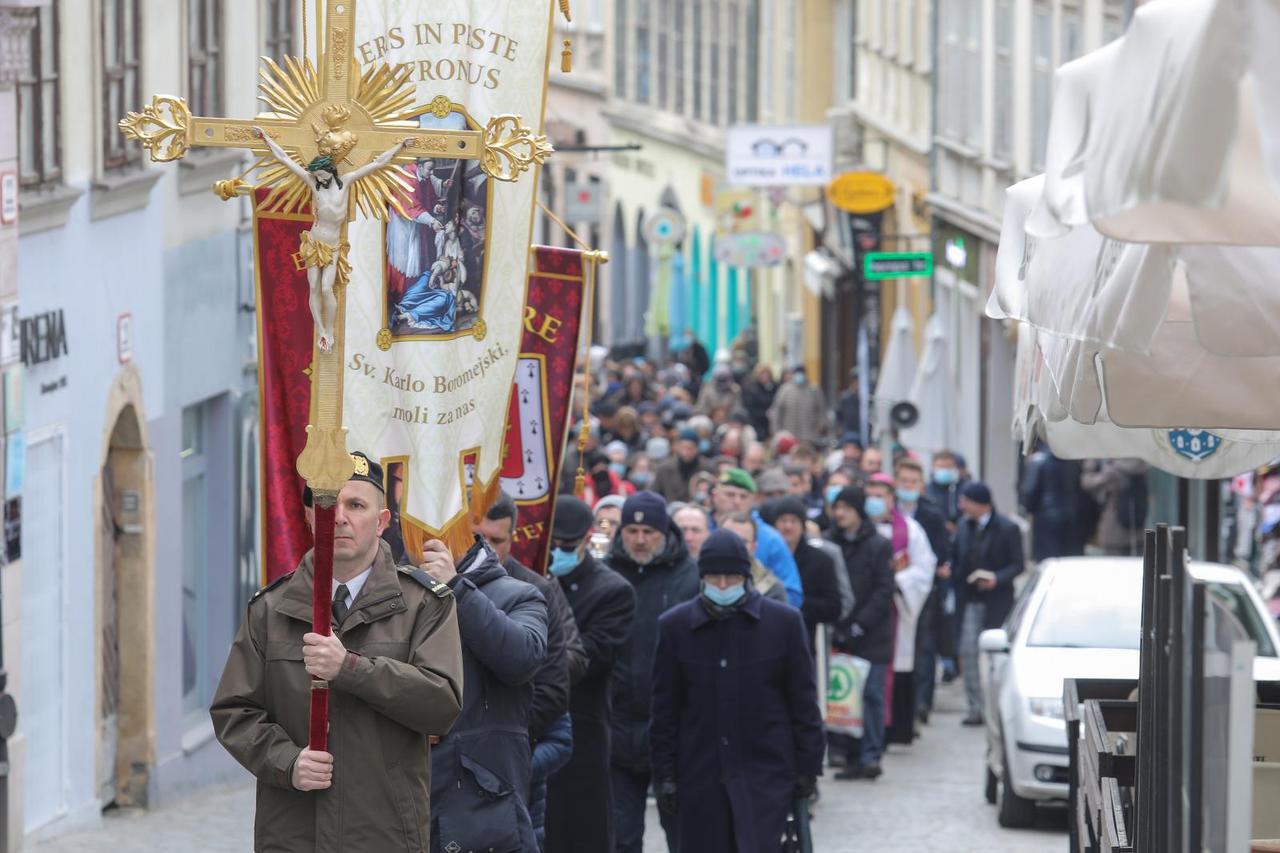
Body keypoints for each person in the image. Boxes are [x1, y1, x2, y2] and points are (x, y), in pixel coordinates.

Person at [210, 453, 465, 851]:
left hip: (383, 834)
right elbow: (234, 711)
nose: (340, 517)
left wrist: (350, 668)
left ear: (381, 522)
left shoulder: (423, 605)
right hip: (294, 834)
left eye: (356, 505)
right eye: (328, 505)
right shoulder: (271, 608)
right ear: (311, 516)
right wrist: (287, 762)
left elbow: (441, 704)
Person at [651, 529, 826, 853]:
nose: (721, 585)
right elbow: (665, 708)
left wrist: (808, 768)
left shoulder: (783, 623)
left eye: (730, 577)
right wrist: (665, 773)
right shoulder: (675, 627)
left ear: (745, 576)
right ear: (702, 577)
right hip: (700, 774)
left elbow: (802, 700)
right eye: (714, 576)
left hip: (765, 773)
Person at [476, 493, 589, 846]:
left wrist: (500, 739)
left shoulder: (534, 590)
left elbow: (554, 688)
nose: (489, 551)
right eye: (480, 539)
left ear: (513, 539)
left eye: (498, 541)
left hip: (514, 760)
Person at [256, 123, 411, 352]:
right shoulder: (313, 183)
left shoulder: (346, 181)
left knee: (327, 288)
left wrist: (399, 147)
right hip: (314, 241)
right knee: (313, 286)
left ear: (329, 170)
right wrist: (265, 139)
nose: (316, 176)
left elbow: (377, 164)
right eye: (315, 174)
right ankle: (321, 330)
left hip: (332, 244)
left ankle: (329, 329)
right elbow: (285, 161)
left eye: (319, 173)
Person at [605, 492, 700, 853]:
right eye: (632, 530)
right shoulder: (607, 573)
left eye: (649, 531)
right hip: (617, 728)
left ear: (664, 532)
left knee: (683, 834)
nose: (640, 539)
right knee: (621, 837)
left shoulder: (690, 577)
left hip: (674, 733)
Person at [544, 497, 637, 853]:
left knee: (580, 829)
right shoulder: (527, 577)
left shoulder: (612, 591)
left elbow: (591, 656)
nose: (557, 553)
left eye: (565, 546)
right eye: (551, 545)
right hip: (528, 724)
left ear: (585, 540)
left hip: (581, 723)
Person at [826, 486, 895, 780]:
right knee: (844, 697)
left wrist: (860, 624)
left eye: (845, 508)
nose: (840, 514)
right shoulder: (830, 543)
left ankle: (870, 755)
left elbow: (884, 590)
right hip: (840, 631)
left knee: (871, 696)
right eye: (836, 507)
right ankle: (847, 754)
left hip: (872, 635)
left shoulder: (879, 545)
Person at [863, 475, 936, 746]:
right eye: (870, 494)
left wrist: (897, 581)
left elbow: (924, 567)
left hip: (895, 605)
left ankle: (891, 729)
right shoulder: (856, 528)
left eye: (880, 495)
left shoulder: (911, 531)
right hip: (864, 608)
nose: (875, 501)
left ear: (892, 499)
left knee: (892, 667)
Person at [952, 481, 1025, 726]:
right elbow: (957, 558)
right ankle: (975, 707)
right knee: (969, 652)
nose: (962, 506)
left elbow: (1018, 564)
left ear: (981, 504)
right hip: (971, 599)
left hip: (998, 601)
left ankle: (999, 706)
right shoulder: (963, 527)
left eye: (966, 501)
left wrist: (996, 578)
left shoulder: (1007, 528)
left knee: (997, 657)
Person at [893, 458, 953, 723]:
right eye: (903, 481)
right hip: (893, 589)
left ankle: (921, 702)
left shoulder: (932, 515)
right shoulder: (888, 511)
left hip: (924, 589)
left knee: (924, 647)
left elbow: (941, 553)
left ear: (921, 486)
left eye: (913, 482)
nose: (908, 486)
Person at [710, 468, 804, 606]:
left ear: (753, 500)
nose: (737, 501)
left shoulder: (770, 538)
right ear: (715, 495)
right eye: (730, 494)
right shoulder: (698, 528)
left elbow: (792, 593)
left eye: (743, 496)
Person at [763, 496, 845, 654]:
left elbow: (834, 607)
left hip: (803, 643)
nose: (788, 526)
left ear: (803, 525)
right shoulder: (765, 559)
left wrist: (796, 601)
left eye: (793, 521)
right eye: (783, 520)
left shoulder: (820, 560)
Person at [1020, 443, 1086, 561]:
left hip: (1045, 516)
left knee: (1046, 560)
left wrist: (1029, 509)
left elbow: (1029, 491)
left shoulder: (1038, 461)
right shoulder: (1072, 460)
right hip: (1070, 515)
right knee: (1067, 559)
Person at [1081, 458, 1149, 556]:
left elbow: (1087, 483)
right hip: (1137, 531)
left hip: (1114, 531)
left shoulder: (1115, 471)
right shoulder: (1142, 467)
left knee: (1115, 567)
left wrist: (1090, 464)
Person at [721, 511, 789, 602]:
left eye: (743, 542)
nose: (735, 546)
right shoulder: (700, 578)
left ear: (754, 547)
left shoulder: (771, 590)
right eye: (729, 540)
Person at [768, 365, 828, 448]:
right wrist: (776, 430)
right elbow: (777, 410)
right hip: (789, 435)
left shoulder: (814, 389)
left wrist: (821, 425)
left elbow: (821, 410)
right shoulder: (785, 389)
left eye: (801, 373)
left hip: (809, 435)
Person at [652, 428, 717, 503]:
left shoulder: (708, 468)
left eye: (690, 448)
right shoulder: (664, 469)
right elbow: (655, 493)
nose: (685, 452)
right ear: (677, 447)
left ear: (697, 448)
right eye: (682, 447)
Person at [740, 363, 779, 439]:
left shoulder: (774, 387)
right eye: (762, 374)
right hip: (757, 423)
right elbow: (750, 408)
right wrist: (765, 413)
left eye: (767, 374)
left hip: (771, 424)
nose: (765, 376)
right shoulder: (752, 388)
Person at [926, 450, 964, 525]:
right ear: (933, 468)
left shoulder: (964, 489)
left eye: (948, 467)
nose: (944, 471)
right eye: (940, 467)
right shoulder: (926, 490)